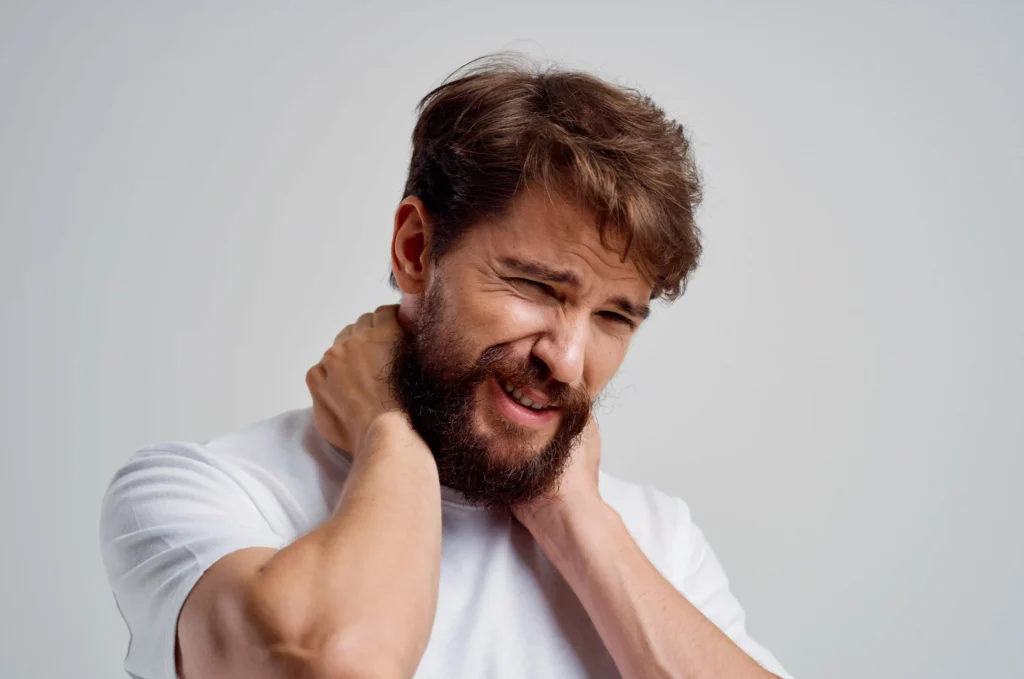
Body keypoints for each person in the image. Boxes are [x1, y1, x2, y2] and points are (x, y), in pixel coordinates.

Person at [100, 54, 792, 679]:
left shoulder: (655, 536)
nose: (568, 359)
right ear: (414, 248)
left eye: (614, 316)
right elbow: (337, 665)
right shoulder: (210, 491)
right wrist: (390, 429)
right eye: (537, 287)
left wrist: (573, 514)